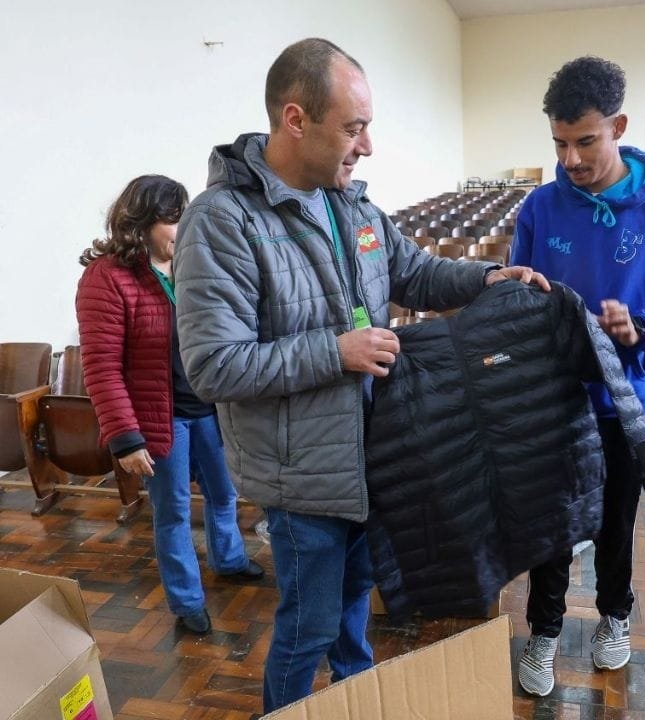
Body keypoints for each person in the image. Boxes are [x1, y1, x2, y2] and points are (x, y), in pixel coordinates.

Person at [173, 39, 548, 713]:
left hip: (374, 457)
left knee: (352, 615)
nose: (366, 146)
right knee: (306, 627)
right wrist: (335, 351)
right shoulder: (223, 221)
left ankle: (353, 704)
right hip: (303, 477)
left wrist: (489, 276)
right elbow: (212, 366)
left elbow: (411, 272)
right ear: (295, 119)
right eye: (353, 128)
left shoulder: (352, 205)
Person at [510, 55, 645, 697]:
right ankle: (543, 630)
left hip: (624, 399)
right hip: (554, 396)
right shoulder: (541, 207)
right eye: (560, 143)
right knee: (552, 521)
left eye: (586, 141)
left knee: (617, 520)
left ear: (618, 125)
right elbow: (518, 295)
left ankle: (616, 618)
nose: (570, 159)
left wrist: (641, 328)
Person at [76, 175, 264, 636]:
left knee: (224, 494)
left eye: (185, 216)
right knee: (175, 511)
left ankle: (230, 559)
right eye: (171, 218)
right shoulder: (107, 277)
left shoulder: (191, 265)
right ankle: (186, 600)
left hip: (212, 409)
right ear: (139, 221)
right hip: (162, 420)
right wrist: (124, 438)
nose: (181, 228)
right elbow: (100, 367)